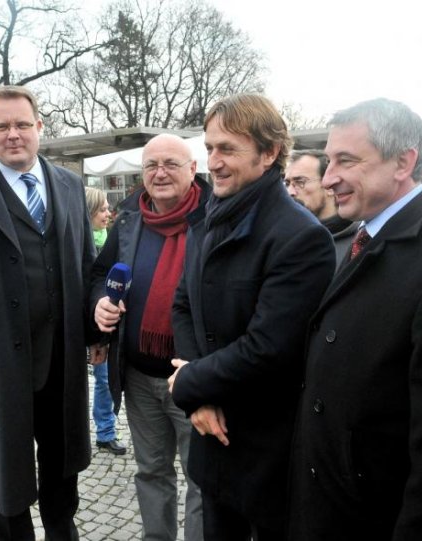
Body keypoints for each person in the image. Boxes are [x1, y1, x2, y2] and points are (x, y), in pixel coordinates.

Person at [286, 98, 422, 540]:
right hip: (325, 510)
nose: (329, 179)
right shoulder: (368, 234)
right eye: (329, 162)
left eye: (346, 161)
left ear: (403, 162)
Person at [0, 85, 101, 541]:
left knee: (62, 465)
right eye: (2, 126)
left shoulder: (69, 186)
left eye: (23, 124)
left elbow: (87, 267)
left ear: (39, 128)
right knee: (5, 474)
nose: (14, 134)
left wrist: (95, 335)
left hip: (63, 359)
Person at [168, 94, 336, 540]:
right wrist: (199, 398)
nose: (214, 162)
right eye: (209, 148)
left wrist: (190, 383)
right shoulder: (209, 218)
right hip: (212, 434)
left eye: (228, 149)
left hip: (268, 453)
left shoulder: (301, 238)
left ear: (269, 153)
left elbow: (270, 349)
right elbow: (183, 304)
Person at [92, 133, 207, 541]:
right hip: (139, 376)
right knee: (151, 472)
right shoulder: (128, 220)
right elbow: (99, 277)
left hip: (194, 378)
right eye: (151, 165)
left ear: (193, 170)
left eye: (171, 164)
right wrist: (100, 304)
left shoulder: (215, 219)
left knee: (203, 481)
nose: (159, 173)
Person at [85, 186, 126, 455]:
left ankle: (105, 430)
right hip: (86, 322)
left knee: (103, 378)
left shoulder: (110, 237)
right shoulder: (79, 241)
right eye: (102, 209)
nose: (108, 213)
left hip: (103, 325)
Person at [284, 149, 360, 268]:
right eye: (287, 183)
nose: (290, 192)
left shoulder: (360, 243)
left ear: (329, 187)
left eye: (300, 182)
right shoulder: (283, 240)